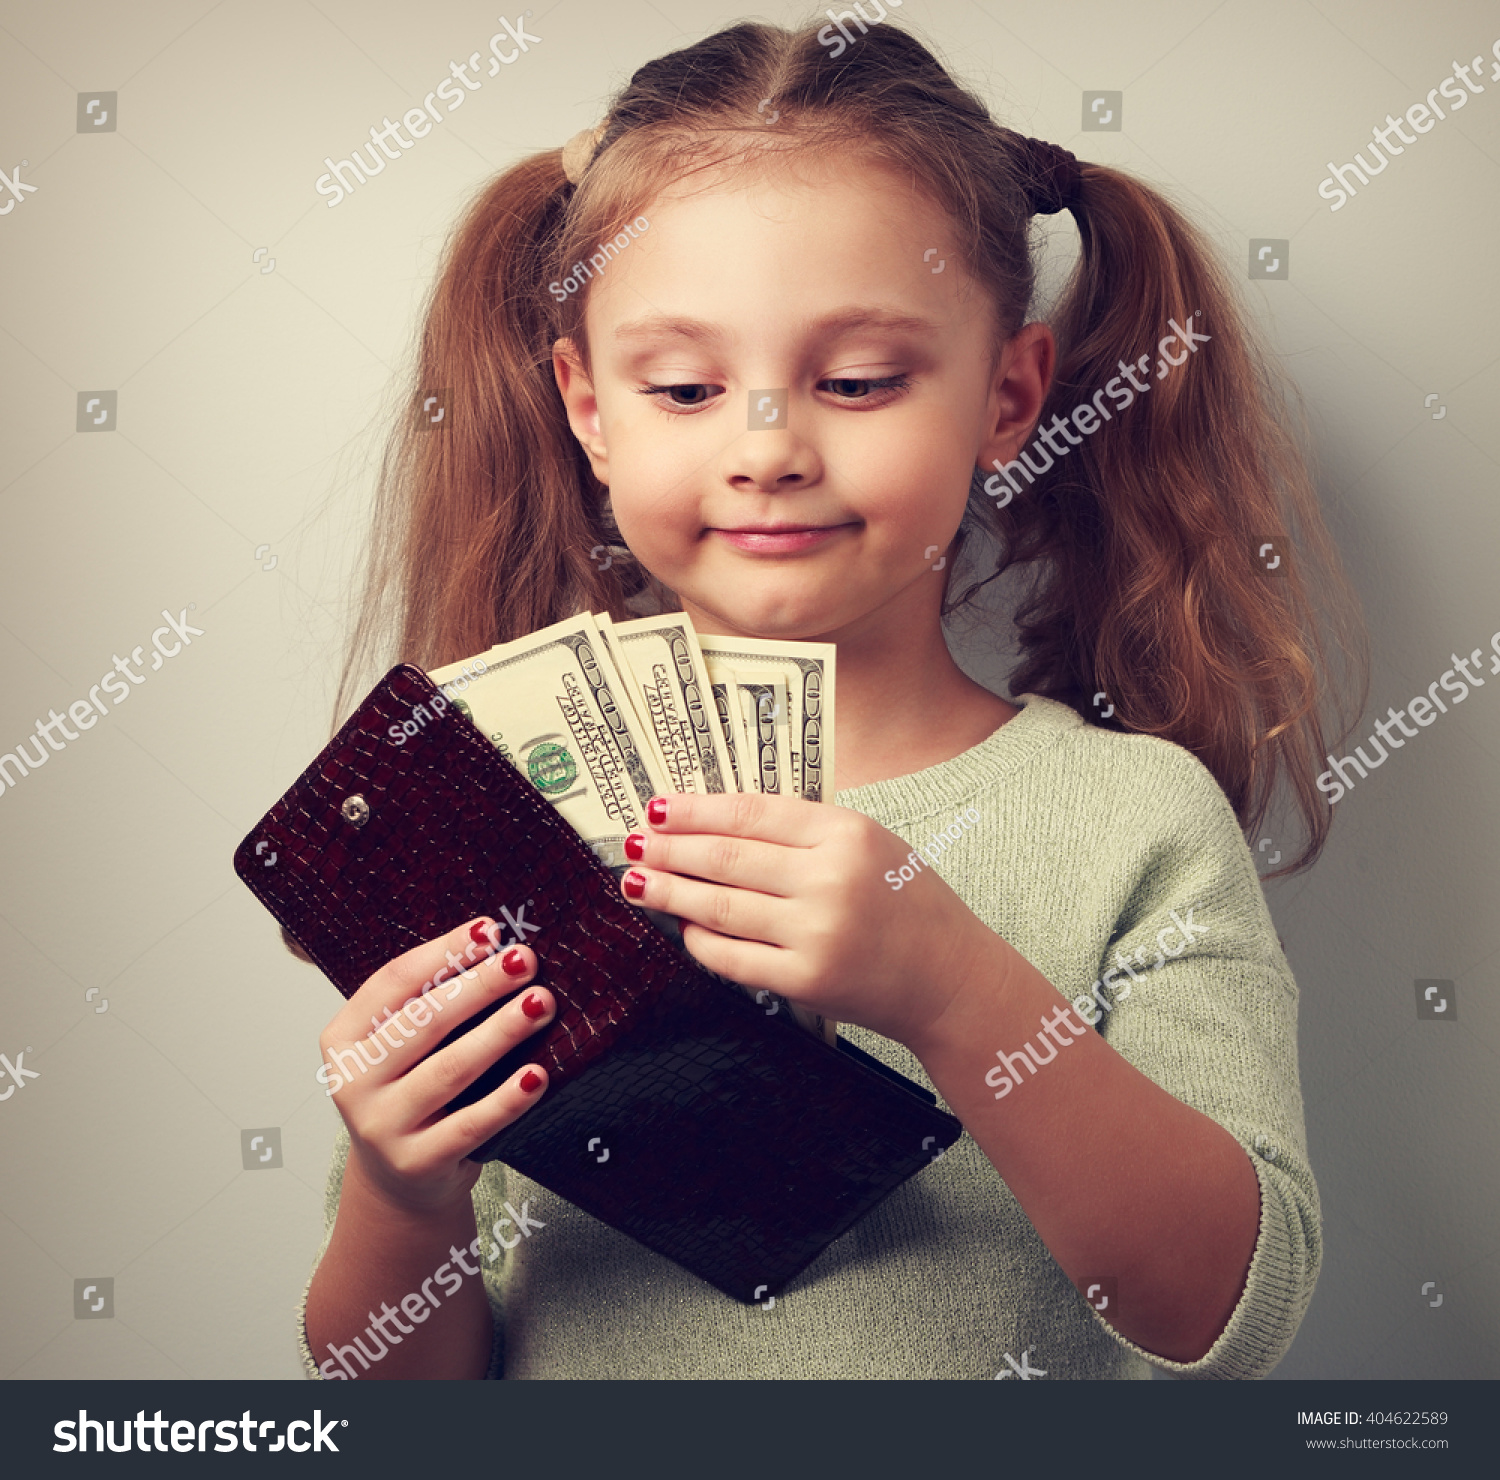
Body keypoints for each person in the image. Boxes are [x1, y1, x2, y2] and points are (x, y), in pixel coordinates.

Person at [296, 16, 1366, 1380]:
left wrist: (955, 987)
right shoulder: (506, 814)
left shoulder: (1133, 817)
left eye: (858, 381)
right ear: (587, 406)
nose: (769, 450)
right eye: (684, 386)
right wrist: (404, 1192)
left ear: (1007, 395)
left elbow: (1229, 1311)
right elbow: (388, 1400)